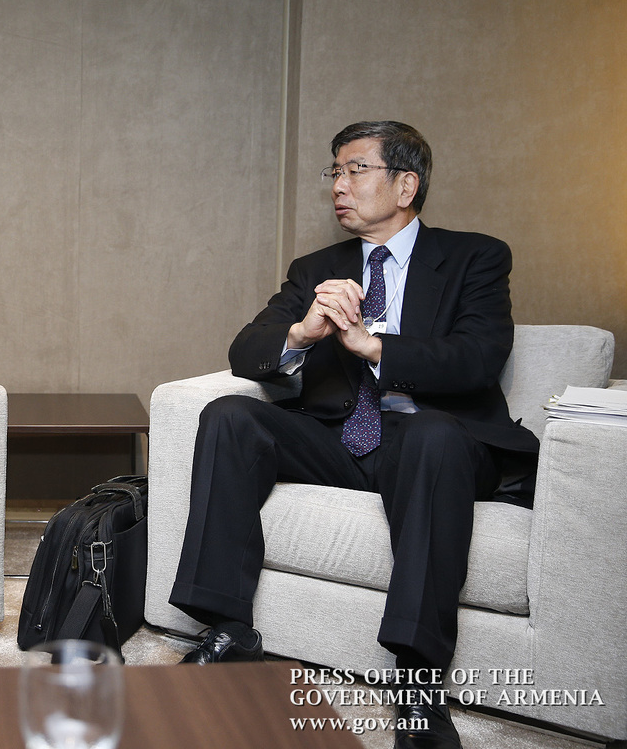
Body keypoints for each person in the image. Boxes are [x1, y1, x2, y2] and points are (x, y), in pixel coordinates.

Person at [168, 122, 538, 749]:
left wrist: (374, 346)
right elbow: (245, 350)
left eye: (355, 170)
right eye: (334, 172)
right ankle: (228, 630)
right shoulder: (316, 269)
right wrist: (301, 334)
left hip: (434, 444)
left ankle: (418, 681)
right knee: (229, 415)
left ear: (405, 185)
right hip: (340, 439)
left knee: (431, 435)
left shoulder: (475, 257)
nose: (339, 186)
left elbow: (478, 358)